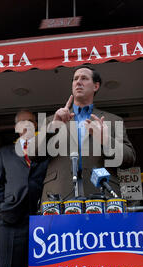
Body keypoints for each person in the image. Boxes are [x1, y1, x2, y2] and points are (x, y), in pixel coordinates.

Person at [30, 66, 135, 202]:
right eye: (75, 79)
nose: (78, 82)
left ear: (96, 86)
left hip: (103, 196)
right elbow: (33, 154)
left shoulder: (113, 120)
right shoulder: (52, 120)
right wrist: (53, 127)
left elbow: (129, 159)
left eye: (84, 78)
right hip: (57, 195)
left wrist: (106, 141)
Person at [0, 110, 48, 267]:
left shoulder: (47, 151)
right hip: (10, 220)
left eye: (31, 121)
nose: (27, 124)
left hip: (40, 218)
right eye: (22, 122)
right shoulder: (4, 153)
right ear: (16, 128)